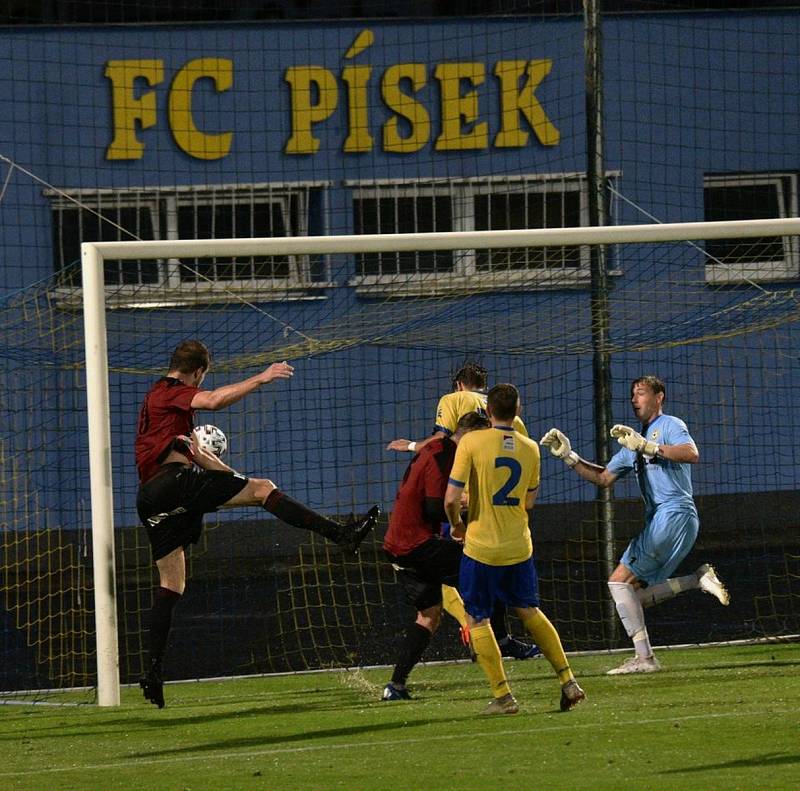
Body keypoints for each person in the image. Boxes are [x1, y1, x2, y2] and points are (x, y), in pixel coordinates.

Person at [135, 339, 380, 708]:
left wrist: (242, 485)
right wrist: (261, 378)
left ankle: (152, 672)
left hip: (151, 500)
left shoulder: (166, 420)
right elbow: (214, 400)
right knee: (264, 489)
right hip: (173, 487)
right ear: (198, 372)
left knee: (172, 583)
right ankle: (342, 535)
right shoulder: (169, 392)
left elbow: (203, 457)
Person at [540, 375, 730, 675]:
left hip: (674, 514)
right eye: (632, 394)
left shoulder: (669, 425)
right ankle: (696, 579)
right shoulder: (631, 443)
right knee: (633, 594)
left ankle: (645, 659)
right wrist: (569, 456)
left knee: (617, 582)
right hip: (668, 521)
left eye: (641, 393)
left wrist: (650, 448)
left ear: (659, 397)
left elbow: (691, 453)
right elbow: (604, 478)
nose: (634, 399)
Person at [444, 384, 585, 715]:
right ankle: (568, 681)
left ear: (489, 412)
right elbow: (530, 501)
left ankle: (503, 696)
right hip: (518, 547)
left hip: (481, 548)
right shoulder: (530, 448)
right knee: (529, 610)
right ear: (517, 411)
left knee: (476, 616)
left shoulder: (471, 442)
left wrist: (456, 524)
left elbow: (451, 499)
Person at [387, 361, 540, 661]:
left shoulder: (454, 400)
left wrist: (411, 446)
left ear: (459, 384)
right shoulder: (515, 424)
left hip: (462, 502)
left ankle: (477, 632)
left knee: (466, 569)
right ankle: (504, 639)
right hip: (505, 516)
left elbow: (441, 441)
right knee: (505, 586)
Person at [381, 412, 491, 701]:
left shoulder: (439, 446)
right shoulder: (445, 458)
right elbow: (433, 509)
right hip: (416, 544)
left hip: (398, 543)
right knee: (482, 576)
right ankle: (497, 650)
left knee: (429, 615)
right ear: (470, 436)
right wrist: (465, 508)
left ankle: (395, 685)